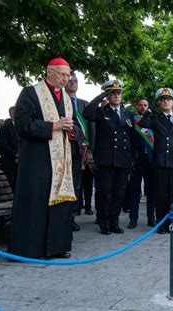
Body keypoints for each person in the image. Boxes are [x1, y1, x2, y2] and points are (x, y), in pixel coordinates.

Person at [8, 57, 77, 259]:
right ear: (49, 72)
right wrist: (53, 126)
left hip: (61, 161)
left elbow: (69, 125)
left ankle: (57, 246)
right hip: (37, 160)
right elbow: (22, 124)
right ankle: (31, 249)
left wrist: (71, 131)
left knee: (58, 202)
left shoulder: (65, 97)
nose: (66, 79)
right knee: (36, 201)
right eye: (63, 74)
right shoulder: (30, 93)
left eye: (68, 74)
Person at [83, 79, 135, 235]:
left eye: (119, 93)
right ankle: (103, 221)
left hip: (123, 159)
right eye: (113, 93)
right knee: (104, 192)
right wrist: (101, 97)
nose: (117, 96)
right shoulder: (101, 112)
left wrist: (132, 158)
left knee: (119, 193)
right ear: (108, 95)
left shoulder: (127, 114)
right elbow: (87, 113)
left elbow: (132, 137)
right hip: (105, 159)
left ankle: (114, 221)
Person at [138, 88, 173, 234]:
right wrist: (149, 109)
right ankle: (161, 223)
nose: (166, 101)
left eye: (168, 99)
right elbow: (142, 124)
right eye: (163, 99)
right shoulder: (154, 118)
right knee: (160, 194)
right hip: (161, 161)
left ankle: (172, 222)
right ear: (159, 103)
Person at [65, 71, 95, 217]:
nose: (72, 83)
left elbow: (91, 128)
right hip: (65, 150)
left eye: (75, 81)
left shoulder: (85, 104)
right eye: (70, 80)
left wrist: (90, 150)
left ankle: (73, 214)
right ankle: (69, 214)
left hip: (82, 151)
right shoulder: (59, 102)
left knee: (79, 184)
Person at [127, 99, 156, 229]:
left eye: (145, 105)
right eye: (140, 105)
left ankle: (151, 218)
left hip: (150, 160)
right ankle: (133, 219)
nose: (143, 107)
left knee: (151, 191)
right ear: (136, 106)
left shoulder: (152, 119)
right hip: (136, 160)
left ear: (148, 106)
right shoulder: (132, 120)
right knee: (134, 192)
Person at [0, 106, 19, 191]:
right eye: (13, 113)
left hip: (23, 160)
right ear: (10, 115)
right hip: (10, 162)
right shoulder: (4, 128)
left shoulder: (23, 126)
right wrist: (16, 154)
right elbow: (3, 145)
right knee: (13, 185)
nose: (15, 115)